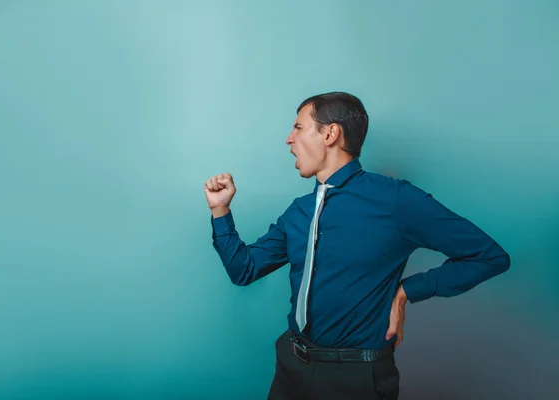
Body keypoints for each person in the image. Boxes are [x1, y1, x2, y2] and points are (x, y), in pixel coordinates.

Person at [203, 91, 510, 399]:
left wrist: (406, 293)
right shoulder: (299, 211)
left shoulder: (395, 200)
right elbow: (244, 270)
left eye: (298, 127)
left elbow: (488, 257)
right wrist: (220, 211)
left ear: (330, 133)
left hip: (355, 379)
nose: (288, 139)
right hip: (290, 369)